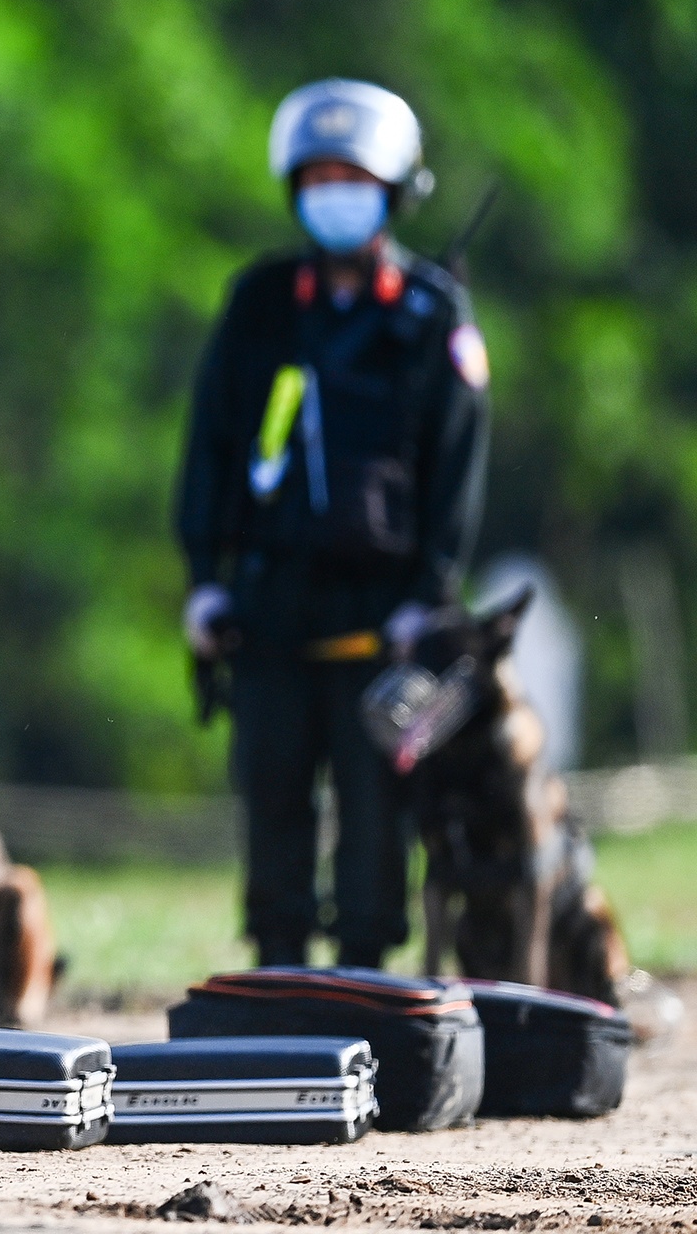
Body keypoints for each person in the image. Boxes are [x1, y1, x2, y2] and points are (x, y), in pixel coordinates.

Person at [175, 79, 490, 970]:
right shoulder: (261, 304)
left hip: (384, 621)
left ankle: (362, 979)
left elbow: (458, 470)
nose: (334, 193)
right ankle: (277, 975)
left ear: (394, 190)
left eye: (353, 176)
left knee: (373, 815)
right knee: (272, 796)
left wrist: (429, 598)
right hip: (269, 606)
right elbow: (211, 445)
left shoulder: (433, 318)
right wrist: (205, 577)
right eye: (317, 176)